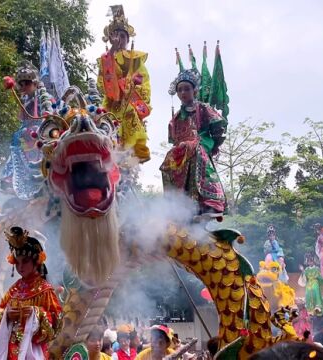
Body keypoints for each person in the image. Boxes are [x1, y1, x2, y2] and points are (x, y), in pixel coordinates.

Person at [160, 68, 227, 219]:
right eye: (180, 90)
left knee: (196, 150)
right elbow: (175, 140)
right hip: (183, 148)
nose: (183, 93)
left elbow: (218, 127)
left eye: (187, 89)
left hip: (202, 142)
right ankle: (176, 206)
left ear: (194, 91)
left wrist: (212, 145)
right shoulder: (176, 117)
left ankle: (209, 202)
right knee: (167, 162)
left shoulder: (203, 108)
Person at [0, 226, 62, 360]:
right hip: (9, 353)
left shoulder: (45, 290)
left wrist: (37, 314)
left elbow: (56, 324)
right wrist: (6, 315)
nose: (20, 267)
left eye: (25, 261)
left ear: (36, 262)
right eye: (17, 263)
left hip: (33, 352)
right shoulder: (13, 290)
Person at [97, 5, 151, 163]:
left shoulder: (135, 59)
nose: (119, 39)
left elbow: (144, 82)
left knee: (129, 112)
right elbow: (103, 84)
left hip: (129, 102)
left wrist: (129, 84)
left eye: (123, 36)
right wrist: (112, 51)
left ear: (128, 39)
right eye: (116, 36)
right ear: (110, 38)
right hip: (111, 105)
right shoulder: (105, 59)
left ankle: (138, 151)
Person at [0, 62, 54, 200]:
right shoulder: (24, 100)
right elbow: (22, 119)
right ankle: (13, 179)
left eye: (27, 83)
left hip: (43, 131)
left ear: (35, 84)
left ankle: (43, 173)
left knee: (25, 136)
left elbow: (49, 114)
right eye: (21, 84)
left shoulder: (43, 96)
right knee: (16, 140)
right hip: (27, 135)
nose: (23, 87)